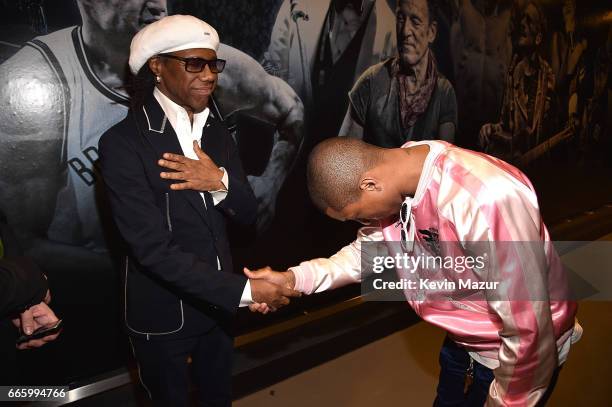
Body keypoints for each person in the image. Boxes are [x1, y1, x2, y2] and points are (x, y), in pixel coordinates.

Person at [247, 137, 581, 405]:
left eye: (357, 217)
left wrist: (506, 401)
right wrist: (294, 279)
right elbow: (367, 253)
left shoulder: (483, 198)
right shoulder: (402, 174)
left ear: (370, 184)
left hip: (511, 363)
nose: (363, 225)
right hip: (463, 342)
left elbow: (529, 327)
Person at [0, 0, 302, 270]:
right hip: (107, 298)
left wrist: (271, 184)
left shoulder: (209, 69)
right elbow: (27, 245)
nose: (158, 4)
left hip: (206, 284)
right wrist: (144, 273)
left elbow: (292, 111)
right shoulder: (35, 80)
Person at [98, 15, 300, 406]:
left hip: (218, 313)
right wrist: (244, 291)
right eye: (194, 63)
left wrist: (220, 182)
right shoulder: (122, 144)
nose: (209, 75)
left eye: (214, 64)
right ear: (157, 67)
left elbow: (248, 220)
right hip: (164, 316)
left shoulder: (217, 132)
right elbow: (152, 250)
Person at [264, 0, 396, 141]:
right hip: (289, 152)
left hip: (343, 157)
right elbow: (271, 80)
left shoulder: (391, 34)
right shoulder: (297, 4)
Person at [339, 0, 457, 147]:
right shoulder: (370, 82)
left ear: (431, 32)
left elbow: (442, 163)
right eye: (401, 19)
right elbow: (344, 155)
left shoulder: (444, 93)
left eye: (415, 21)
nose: (405, 31)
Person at [479, 1, 558, 164]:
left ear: (539, 37)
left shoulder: (547, 76)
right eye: (522, 19)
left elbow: (549, 129)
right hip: (517, 164)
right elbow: (505, 124)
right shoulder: (514, 73)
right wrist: (490, 128)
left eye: (529, 21)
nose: (523, 24)